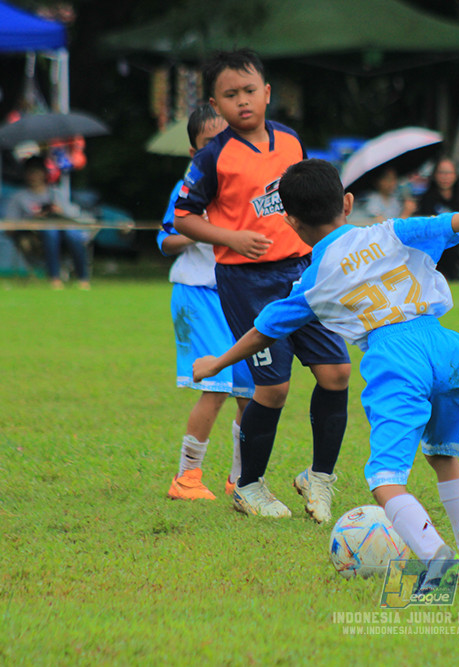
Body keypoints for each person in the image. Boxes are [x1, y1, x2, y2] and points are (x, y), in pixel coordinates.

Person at [193, 158, 459, 585]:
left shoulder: (313, 282)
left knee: (384, 478)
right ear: (348, 202)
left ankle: (437, 557)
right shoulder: (390, 231)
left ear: (290, 222)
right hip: (448, 347)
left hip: (394, 358)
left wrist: (216, 362)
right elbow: (444, 223)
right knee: (442, 455)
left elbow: (264, 329)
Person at [173, 49, 351, 524]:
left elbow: (311, 197)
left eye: (249, 91)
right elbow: (183, 217)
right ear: (216, 102)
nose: (242, 102)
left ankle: (320, 476)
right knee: (271, 391)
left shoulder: (291, 142)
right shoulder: (214, 157)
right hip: (246, 282)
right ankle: (248, 486)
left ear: (267, 93)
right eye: (230, 95)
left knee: (336, 373)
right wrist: (230, 236)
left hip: (302, 273)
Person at [158, 103, 253, 501]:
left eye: (224, 139)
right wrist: (201, 233)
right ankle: (187, 478)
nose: (217, 148)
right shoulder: (188, 188)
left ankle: (242, 479)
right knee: (217, 386)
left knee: (251, 390)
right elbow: (165, 240)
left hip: (238, 295)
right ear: (194, 152)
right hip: (198, 294)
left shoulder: (247, 183)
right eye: (207, 143)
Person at [5, 155, 91, 290]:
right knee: (50, 231)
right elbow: (9, 226)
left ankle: (83, 279)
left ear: (44, 174)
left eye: (37, 172)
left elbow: (74, 216)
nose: (34, 176)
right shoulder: (18, 198)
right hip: (35, 237)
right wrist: (35, 217)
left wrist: (59, 210)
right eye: (30, 173)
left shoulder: (56, 194)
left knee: (74, 235)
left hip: (63, 232)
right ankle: (54, 278)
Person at [416, 156, 459, 280]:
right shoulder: (427, 198)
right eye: (442, 173)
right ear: (435, 175)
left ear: (455, 175)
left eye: (448, 173)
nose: (445, 177)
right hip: (438, 240)